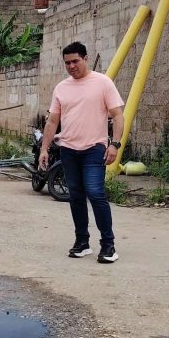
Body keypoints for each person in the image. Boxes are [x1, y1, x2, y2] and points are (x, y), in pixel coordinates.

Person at [39, 42, 125, 263]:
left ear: (86, 58)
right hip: (68, 150)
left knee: (95, 193)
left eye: (75, 61)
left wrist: (115, 144)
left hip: (94, 149)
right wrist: (44, 149)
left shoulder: (103, 83)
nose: (71, 66)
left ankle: (108, 246)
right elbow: (52, 121)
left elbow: (118, 115)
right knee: (75, 196)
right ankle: (82, 242)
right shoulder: (61, 88)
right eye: (67, 63)